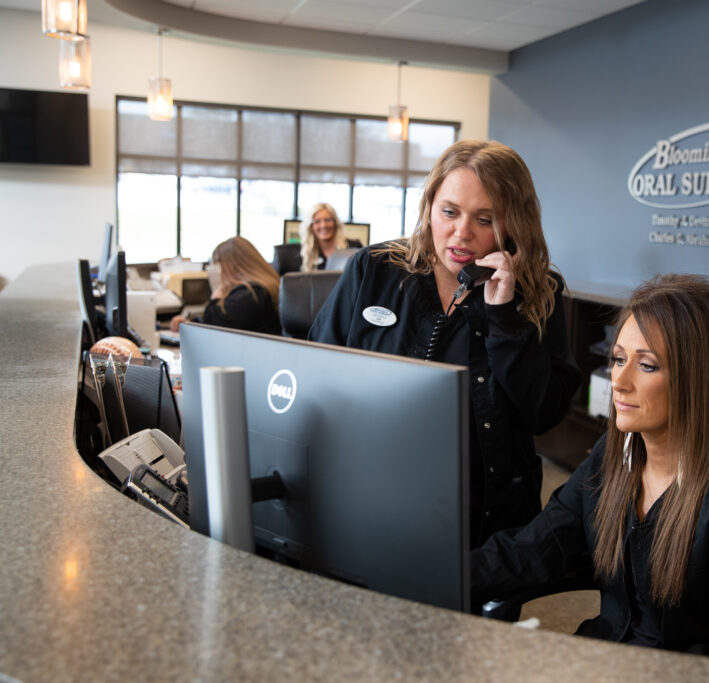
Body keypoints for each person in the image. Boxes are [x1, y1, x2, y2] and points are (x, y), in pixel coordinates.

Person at [472, 274, 709, 666]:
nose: (619, 382)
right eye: (617, 359)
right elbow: (532, 550)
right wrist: (424, 573)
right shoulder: (611, 461)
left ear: (697, 378)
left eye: (646, 365)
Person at [309, 139, 582, 548]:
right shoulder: (375, 270)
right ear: (430, 205)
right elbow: (316, 369)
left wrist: (503, 318)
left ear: (513, 225)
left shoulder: (538, 292)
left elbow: (543, 412)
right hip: (376, 493)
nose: (462, 232)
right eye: (450, 212)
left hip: (482, 516)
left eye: (485, 219)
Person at [170, 236, 282, 335]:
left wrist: (217, 298)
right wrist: (189, 325)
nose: (218, 272)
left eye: (218, 266)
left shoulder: (251, 293)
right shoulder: (264, 288)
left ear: (230, 267)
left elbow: (214, 328)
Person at [300, 202, 361, 272]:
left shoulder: (355, 248)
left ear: (335, 222)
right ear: (310, 226)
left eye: (327, 220)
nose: (323, 225)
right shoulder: (305, 253)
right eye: (317, 221)